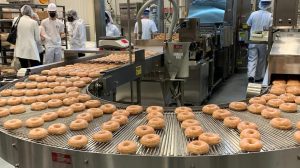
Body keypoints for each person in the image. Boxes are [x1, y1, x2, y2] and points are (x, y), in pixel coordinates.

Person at [247, 0, 273, 83]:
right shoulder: (270, 16)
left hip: (253, 40)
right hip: (263, 41)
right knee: (261, 59)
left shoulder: (253, 14)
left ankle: (251, 76)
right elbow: (271, 28)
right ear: (269, 5)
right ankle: (258, 77)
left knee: (252, 58)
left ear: (260, 4)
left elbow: (248, 24)